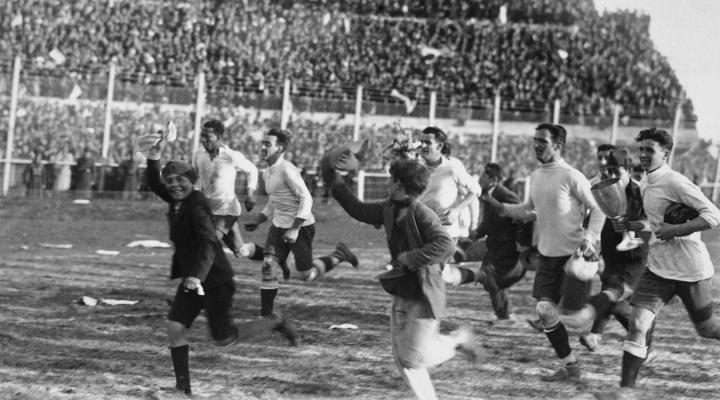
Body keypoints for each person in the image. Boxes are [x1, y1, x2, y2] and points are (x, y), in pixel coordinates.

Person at [143, 134, 298, 396]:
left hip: (214, 280)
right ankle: (183, 389)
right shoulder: (178, 200)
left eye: (180, 180)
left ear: (192, 180)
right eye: (169, 181)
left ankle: (274, 321)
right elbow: (154, 183)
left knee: (224, 338)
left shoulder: (196, 206)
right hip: (193, 281)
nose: (174, 185)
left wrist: (197, 276)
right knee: (175, 326)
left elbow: (208, 243)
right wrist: (154, 157)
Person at [329, 157, 482, 400]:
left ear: (399, 185)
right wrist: (333, 180)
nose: (387, 183)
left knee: (412, 357)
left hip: (424, 294)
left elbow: (445, 245)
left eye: (390, 179)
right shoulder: (389, 208)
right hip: (403, 290)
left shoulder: (422, 213)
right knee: (404, 358)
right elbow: (357, 209)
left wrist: (409, 258)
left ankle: (457, 339)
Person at [591, 128, 720, 399]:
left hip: (690, 270)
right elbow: (654, 224)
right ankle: (626, 391)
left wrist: (675, 230)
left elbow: (713, 216)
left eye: (650, 150)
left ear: (666, 154)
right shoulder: (646, 183)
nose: (644, 154)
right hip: (658, 269)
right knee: (638, 324)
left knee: (707, 329)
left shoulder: (676, 182)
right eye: (641, 150)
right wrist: (633, 225)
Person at [484, 123, 605, 381]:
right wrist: (502, 208)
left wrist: (589, 238)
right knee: (544, 311)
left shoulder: (572, 176)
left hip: (573, 258)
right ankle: (570, 366)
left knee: (573, 318)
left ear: (558, 145)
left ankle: (609, 306)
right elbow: (529, 210)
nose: (536, 145)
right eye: (535, 140)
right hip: (546, 256)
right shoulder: (536, 176)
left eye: (543, 141)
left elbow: (598, 209)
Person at [244, 128, 358, 318]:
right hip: (278, 226)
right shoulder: (267, 172)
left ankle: (339, 255)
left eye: (267, 144)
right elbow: (275, 200)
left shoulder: (287, 170)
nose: (262, 147)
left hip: (301, 227)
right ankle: (267, 315)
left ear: (280, 148)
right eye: (262, 143)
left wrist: (295, 228)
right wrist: (259, 219)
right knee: (268, 265)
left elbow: (307, 198)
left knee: (306, 274)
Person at [564, 148, 652, 354]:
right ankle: (597, 336)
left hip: (635, 258)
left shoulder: (642, 194)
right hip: (612, 255)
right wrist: (592, 251)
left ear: (628, 169)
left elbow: (653, 224)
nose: (611, 175)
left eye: (617, 171)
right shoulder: (602, 191)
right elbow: (591, 224)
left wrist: (631, 226)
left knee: (615, 295)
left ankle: (640, 342)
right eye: (609, 170)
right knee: (614, 298)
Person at [414, 127, 482, 284]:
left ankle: (476, 275)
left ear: (439, 146)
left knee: (430, 275)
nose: (423, 146)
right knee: (440, 276)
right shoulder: (416, 168)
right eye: (421, 142)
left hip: (445, 231)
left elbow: (476, 190)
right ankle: (477, 274)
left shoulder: (452, 168)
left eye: (427, 142)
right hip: (421, 229)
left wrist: (457, 210)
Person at [193, 119, 260, 258]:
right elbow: (197, 178)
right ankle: (273, 256)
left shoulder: (231, 156)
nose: (203, 139)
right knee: (241, 251)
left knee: (207, 243)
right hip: (209, 210)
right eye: (202, 135)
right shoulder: (199, 154)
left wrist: (250, 194)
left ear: (218, 136)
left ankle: (198, 273)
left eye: (208, 136)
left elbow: (252, 170)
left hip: (227, 210)